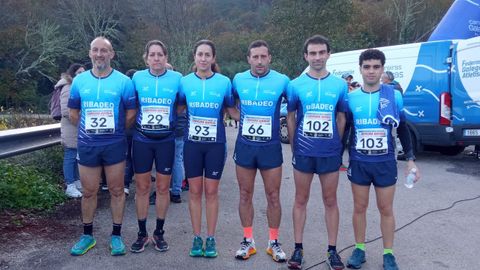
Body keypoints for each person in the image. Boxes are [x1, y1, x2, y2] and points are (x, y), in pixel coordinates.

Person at [345, 49, 420, 270]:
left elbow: (404, 128)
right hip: (359, 162)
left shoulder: (393, 95)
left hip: (385, 162)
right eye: (367, 67)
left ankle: (388, 254)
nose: (371, 71)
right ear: (360, 69)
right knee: (359, 207)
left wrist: (411, 159)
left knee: (386, 208)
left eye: (376, 67)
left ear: (382, 69)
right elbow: (345, 130)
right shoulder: (351, 97)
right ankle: (360, 249)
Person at [68, 36, 136, 256]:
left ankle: (116, 236)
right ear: (90, 54)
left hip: (114, 145)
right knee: (89, 191)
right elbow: (73, 113)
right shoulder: (79, 82)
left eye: (104, 50)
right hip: (88, 145)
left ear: (111, 54)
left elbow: (131, 112)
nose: (99, 54)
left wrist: (115, 130)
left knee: (117, 190)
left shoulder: (124, 82)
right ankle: (87, 235)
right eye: (95, 50)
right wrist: (90, 130)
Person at [286, 35, 347, 270]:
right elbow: (290, 116)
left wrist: (337, 144)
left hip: (329, 153)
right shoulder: (295, 84)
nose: (317, 57)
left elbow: (341, 117)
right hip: (304, 152)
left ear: (329, 54)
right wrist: (294, 145)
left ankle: (332, 251)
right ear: (306, 56)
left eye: (321, 52)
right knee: (300, 199)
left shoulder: (340, 85)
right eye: (313, 53)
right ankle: (298, 249)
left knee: (330, 201)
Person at [230, 40, 289, 263]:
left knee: (273, 195)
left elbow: (292, 107)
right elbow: (230, 104)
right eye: (255, 57)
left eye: (263, 56)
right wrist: (239, 118)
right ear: (249, 59)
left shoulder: (282, 81)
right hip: (245, 147)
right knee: (245, 194)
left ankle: (273, 242)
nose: (259, 61)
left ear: (270, 58)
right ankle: (248, 241)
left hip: (270, 148)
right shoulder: (238, 79)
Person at [179, 39, 235, 258]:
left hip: (215, 146)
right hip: (192, 145)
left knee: (211, 192)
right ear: (195, 57)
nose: (203, 58)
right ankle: (196, 236)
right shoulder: (184, 82)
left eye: (207, 55)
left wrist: (256, 119)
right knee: (194, 192)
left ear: (213, 58)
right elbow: (179, 108)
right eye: (199, 54)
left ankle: (210, 238)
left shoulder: (224, 82)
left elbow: (231, 110)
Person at [129, 41, 182, 253]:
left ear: (166, 57)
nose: (156, 58)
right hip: (142, 139)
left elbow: (181, 104)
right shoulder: (137, 78)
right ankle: (142, 233)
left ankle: (159, 233)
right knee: (142, 187)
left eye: (160, 54)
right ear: (146, 57)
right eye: (152, 54)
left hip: (166, 140)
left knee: (162, 188)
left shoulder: (177, 79)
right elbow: (132, 104)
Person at [59, 63, 86, 198]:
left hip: (78, 127)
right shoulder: (68, 87)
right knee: (70, 155)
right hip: (71, 128)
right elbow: (66, 110)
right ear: (73, 74)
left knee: (76, 156)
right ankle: (69, 184)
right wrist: (83, 117)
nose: (82, 75)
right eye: (79, 72)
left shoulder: (78, 87)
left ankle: (76, 180)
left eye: (83, 72)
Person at [124, 68, 137, 196]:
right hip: (134, 129)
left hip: (130, 129)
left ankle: (126, 184)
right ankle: (126, 183)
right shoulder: (137, 90)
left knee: (128, 157)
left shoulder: (126, 89)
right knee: (132, 157)